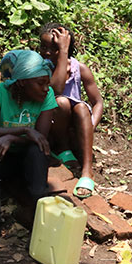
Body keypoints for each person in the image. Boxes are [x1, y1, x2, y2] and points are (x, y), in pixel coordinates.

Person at [0, 50, 57, 248]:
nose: (46, 88)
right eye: (40, 83)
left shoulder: (48, 96)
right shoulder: (0, 91)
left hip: (29, 162)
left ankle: (39, 222)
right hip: (3, 161)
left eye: (47, 82)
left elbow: (41, 138)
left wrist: (10, 136)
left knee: (38, 150)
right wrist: (23, 131)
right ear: (21, 82)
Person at [39, 22, 103, 198]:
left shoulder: (79, 69)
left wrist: (90, 125)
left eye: (54, 48)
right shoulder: (41, 68)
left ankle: (87, 170)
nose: (47, 52)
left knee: (82, 107)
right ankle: (61, 149)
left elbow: (98, 102)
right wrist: (62, 54)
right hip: (51, 131)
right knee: (61, 102)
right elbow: (56, 90)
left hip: (74, 130)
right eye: (43, 47)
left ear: (67, 47)